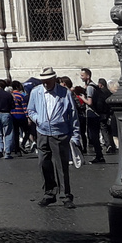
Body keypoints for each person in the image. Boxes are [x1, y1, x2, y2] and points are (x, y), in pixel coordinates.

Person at [27, 67, 75, 208]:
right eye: (43, 81)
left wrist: (75, 135)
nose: (45, 83)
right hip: (42, 132)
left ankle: (65, 196)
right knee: (43, 163)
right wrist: (38, 119)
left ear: (54, 79)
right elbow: (31, 110)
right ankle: (49, 193)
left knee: (61, 165)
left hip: (59, 133)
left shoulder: (64, 93)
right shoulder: (36, 92)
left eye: (48, 80)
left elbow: (72, 114)